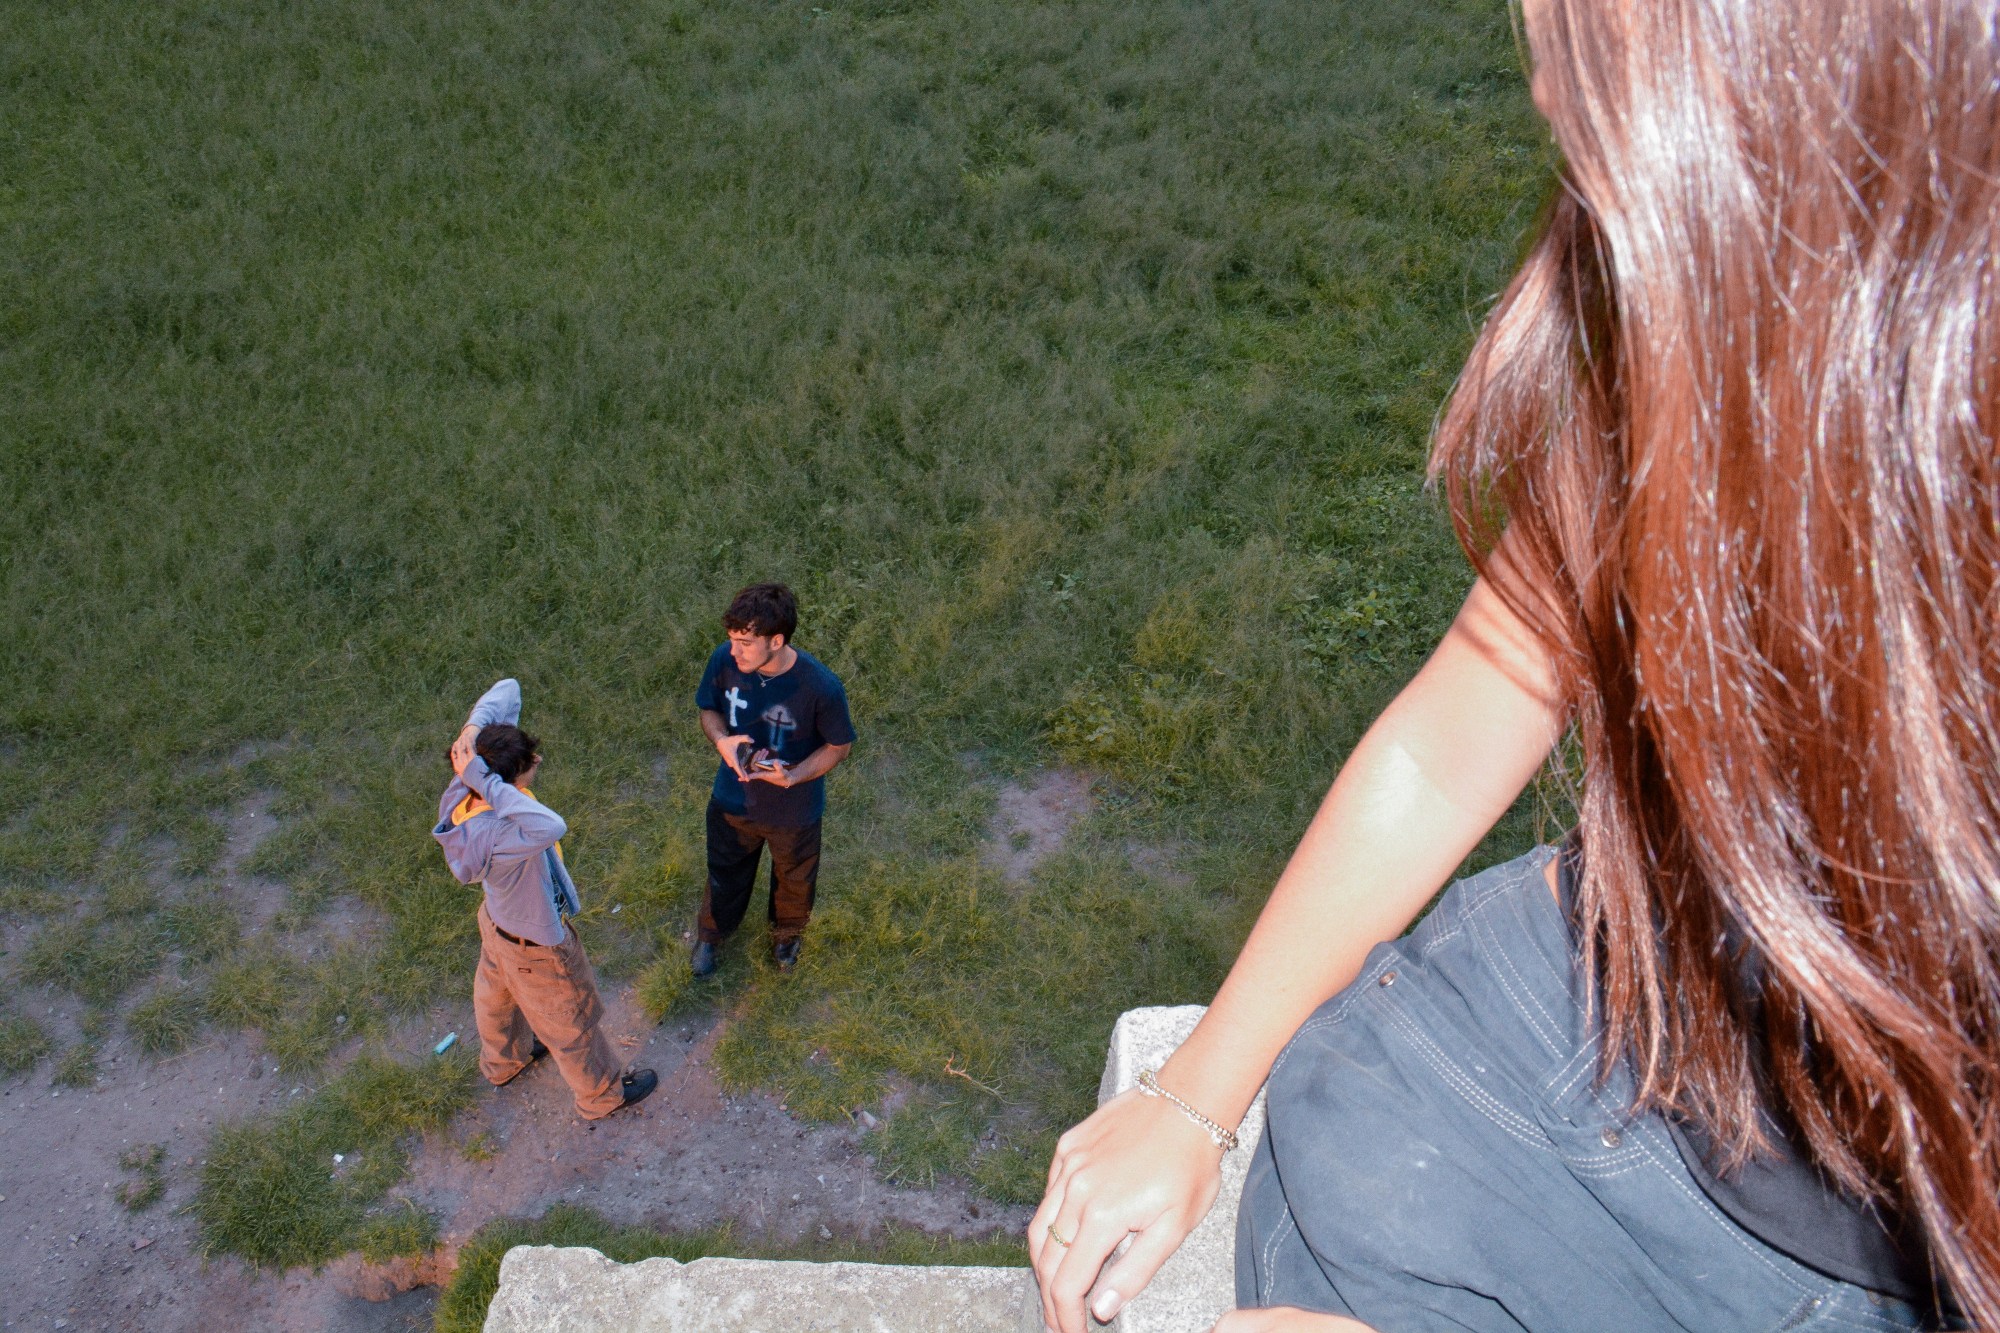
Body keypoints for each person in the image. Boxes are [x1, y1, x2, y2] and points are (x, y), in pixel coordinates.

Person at [1030, 1, 1999, 1330]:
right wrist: (1196, 1095)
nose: (1546, 95)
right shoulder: (1718, 335)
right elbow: (1467, 715)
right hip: (1579, 1058)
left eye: (1596, 50)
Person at [436, 678, 657, 1118]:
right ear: (501, 779)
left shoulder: (466, 792)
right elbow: (552, 827)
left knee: (495, 999)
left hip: (499, 925)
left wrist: (471, 736)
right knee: (572, 1021)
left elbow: (508, 689)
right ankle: (601, 1096)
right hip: (536, 947)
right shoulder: (503, 831)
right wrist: (484, 773)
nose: (536, 760)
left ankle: (505, 1062)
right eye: (528, 762)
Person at [691, 583, 855, 976]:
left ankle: (786, 937)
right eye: (732, 639)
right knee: (724, 871)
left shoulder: (821, 686)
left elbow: (839, 746)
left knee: (794, 880)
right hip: (733, 800)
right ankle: (712, 936)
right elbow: (709, 710)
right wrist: (722, 742)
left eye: (745, 642)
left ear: (777, 640)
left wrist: (795, 775)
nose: (734, 650)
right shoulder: (724, 661)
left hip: (793, 811)